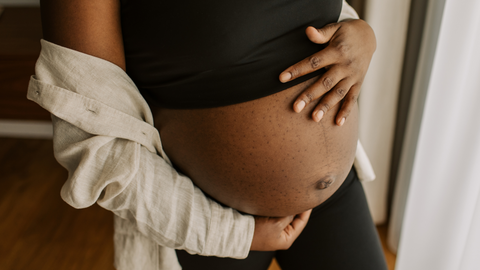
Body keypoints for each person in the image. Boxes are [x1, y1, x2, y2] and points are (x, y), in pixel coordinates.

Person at [33, 0, 384, 269]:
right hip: (205, 216)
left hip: (334, 198)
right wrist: (232, 234)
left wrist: (361, 37)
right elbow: (95, 143)